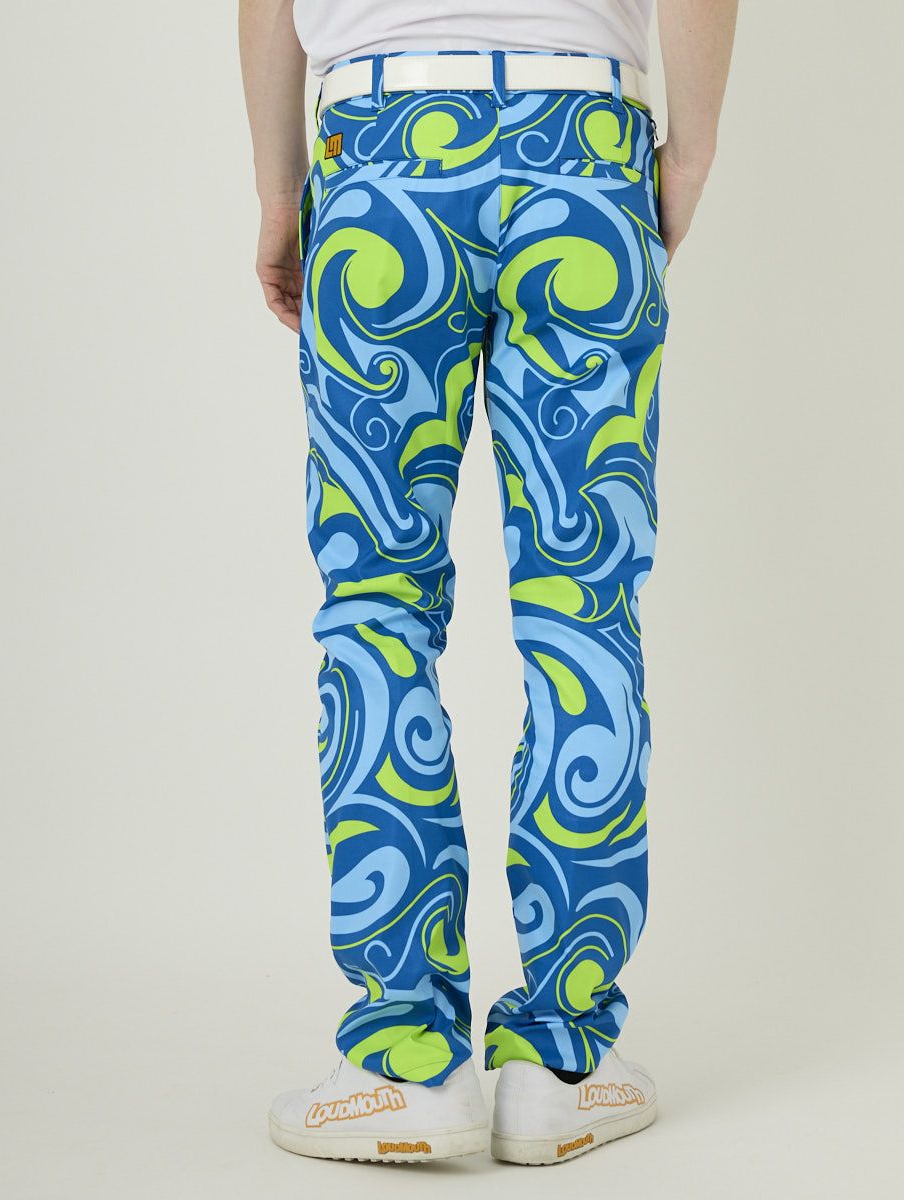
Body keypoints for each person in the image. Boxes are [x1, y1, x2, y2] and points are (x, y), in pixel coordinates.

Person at [239, 0, 736, 1166]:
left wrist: (280, 194)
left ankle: (402, 1063)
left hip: (380, 162)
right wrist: (688, 155)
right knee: (584, 614)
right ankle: (562, 1066)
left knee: (375, 614)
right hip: (583, 155)